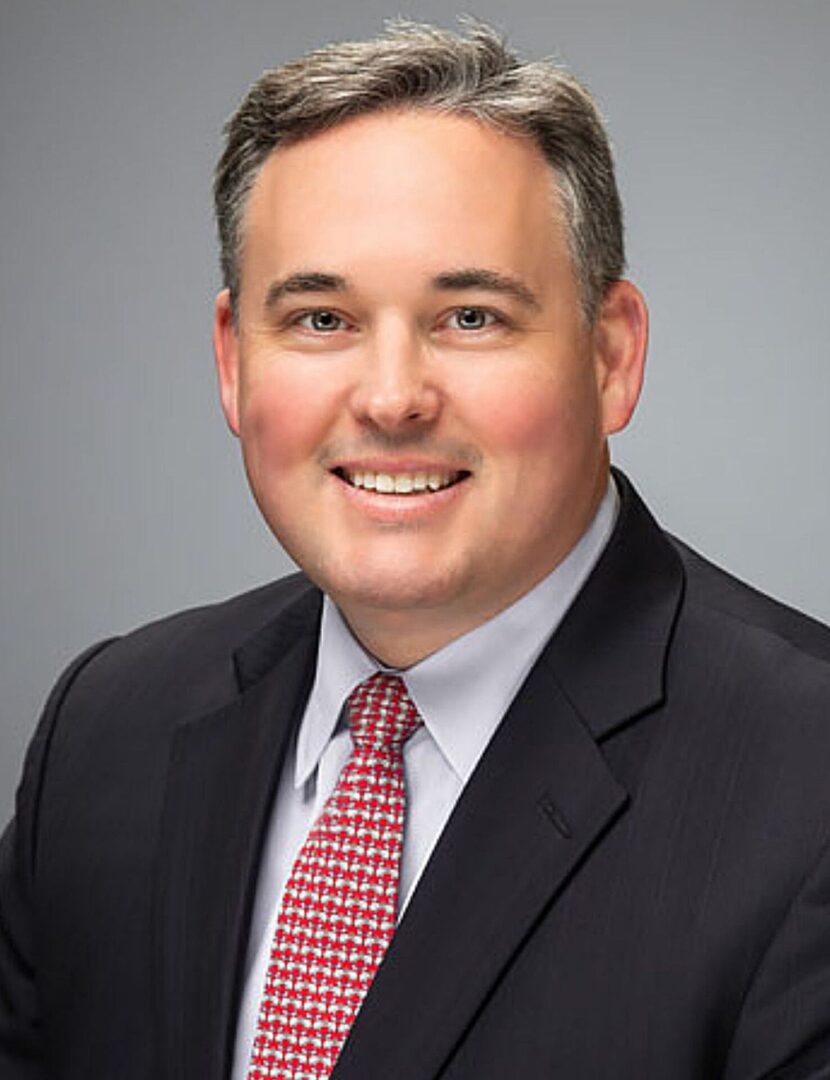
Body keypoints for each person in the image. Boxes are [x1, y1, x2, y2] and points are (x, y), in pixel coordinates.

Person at [2, 19, 830, 1080]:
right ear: (231, 361)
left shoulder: (804, 786)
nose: (391, 398)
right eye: (319, 320)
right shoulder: (105, 734)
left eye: (470, 317)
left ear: (610, 355)